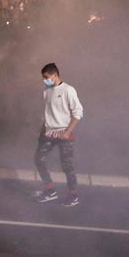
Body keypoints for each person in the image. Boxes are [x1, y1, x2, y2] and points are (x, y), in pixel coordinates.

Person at [34, 63, 84, 207]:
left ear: (55, 75)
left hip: (64, 132)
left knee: (67, 165)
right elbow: (47, 113)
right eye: (43, 78)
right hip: (49, 132)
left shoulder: (68, 90)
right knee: (39, 159)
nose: (45, 80)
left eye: (46, 77)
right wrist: (41, 130)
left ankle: (73, 195)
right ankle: (50, 191)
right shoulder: (46, 90)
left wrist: (67, 132)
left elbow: (78, 112)